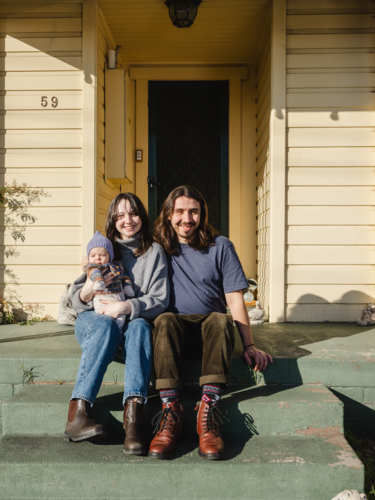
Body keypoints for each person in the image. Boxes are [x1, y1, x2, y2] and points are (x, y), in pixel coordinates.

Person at [149, 185, 273, 460]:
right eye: (179, 211)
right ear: (169, 215)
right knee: (165, 319)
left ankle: (209, 412)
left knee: (219, 319)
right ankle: (171, 411)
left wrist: (249, 344)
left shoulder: (220, 246)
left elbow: (234, 298)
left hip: (211, 335)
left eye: (193, 211)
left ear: (202, 214)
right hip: (172, 336)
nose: (187, 218)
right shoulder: (156, 248)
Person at [65, 193, 169, 456]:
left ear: (142, 217)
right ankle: (77, 414)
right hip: (95, 321)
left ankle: (133, 420)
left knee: (142, 327)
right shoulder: (102, 247)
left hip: (130, 323)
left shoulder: (154, 252)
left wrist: (127, 306)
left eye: (133, 213)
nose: (128, 220)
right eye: (120, 215)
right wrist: (88, 291)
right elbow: (76, 299)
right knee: (103, 325)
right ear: (113, 220)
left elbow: (160, 299)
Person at [85, 230, 135, 332]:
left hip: (119, 301)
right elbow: (94, 274)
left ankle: (119, 333)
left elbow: (124, 276)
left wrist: (127, 286)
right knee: (106, 320)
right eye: (93, 256)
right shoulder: (93, 267)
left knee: (121, 319)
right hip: (102, 300)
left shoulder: (117, 266)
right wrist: (99, 280)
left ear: (110, 256)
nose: (98, 259)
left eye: (102, 255)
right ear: (88, 257)